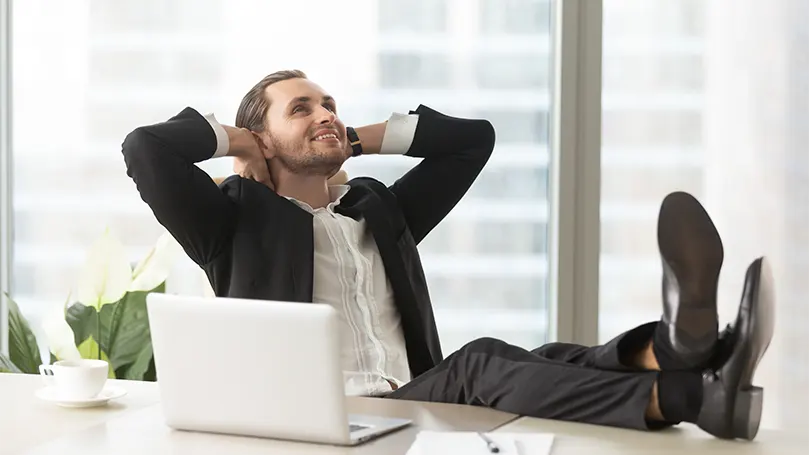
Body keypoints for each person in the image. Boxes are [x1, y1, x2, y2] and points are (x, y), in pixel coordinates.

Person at [122, 69, 774, 441]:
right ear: (263, 135)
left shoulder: (376, 209)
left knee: (539, 359)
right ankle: (690, 393)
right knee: (478, 364)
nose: (324, 113)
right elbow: (147, 149)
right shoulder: (229, 221)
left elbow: (471, 142)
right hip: (323, 419)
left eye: (330, 104)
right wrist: (239, 139)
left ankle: (685, 353)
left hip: (406, 401)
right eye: (302, 109)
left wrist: (352, 137)